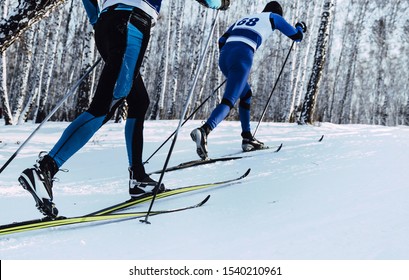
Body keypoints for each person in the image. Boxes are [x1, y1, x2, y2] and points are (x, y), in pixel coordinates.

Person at [18, 0, 230, 218]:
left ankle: (138, 178)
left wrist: (97, 20)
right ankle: (45, 169)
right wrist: (218, 3)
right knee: (106, 104)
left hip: (111, 24)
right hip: (131, 24)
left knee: (139, 100)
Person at [190, 1, 306, 160]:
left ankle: (247, 137)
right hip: (242, 55)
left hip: (225, 56)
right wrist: (300, 26)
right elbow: (296, 37)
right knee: (229, 100)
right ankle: (204, 130)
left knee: (246, 94)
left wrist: (230, 64)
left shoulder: (245, 18)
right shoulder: (274, 17)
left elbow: (221, 41)